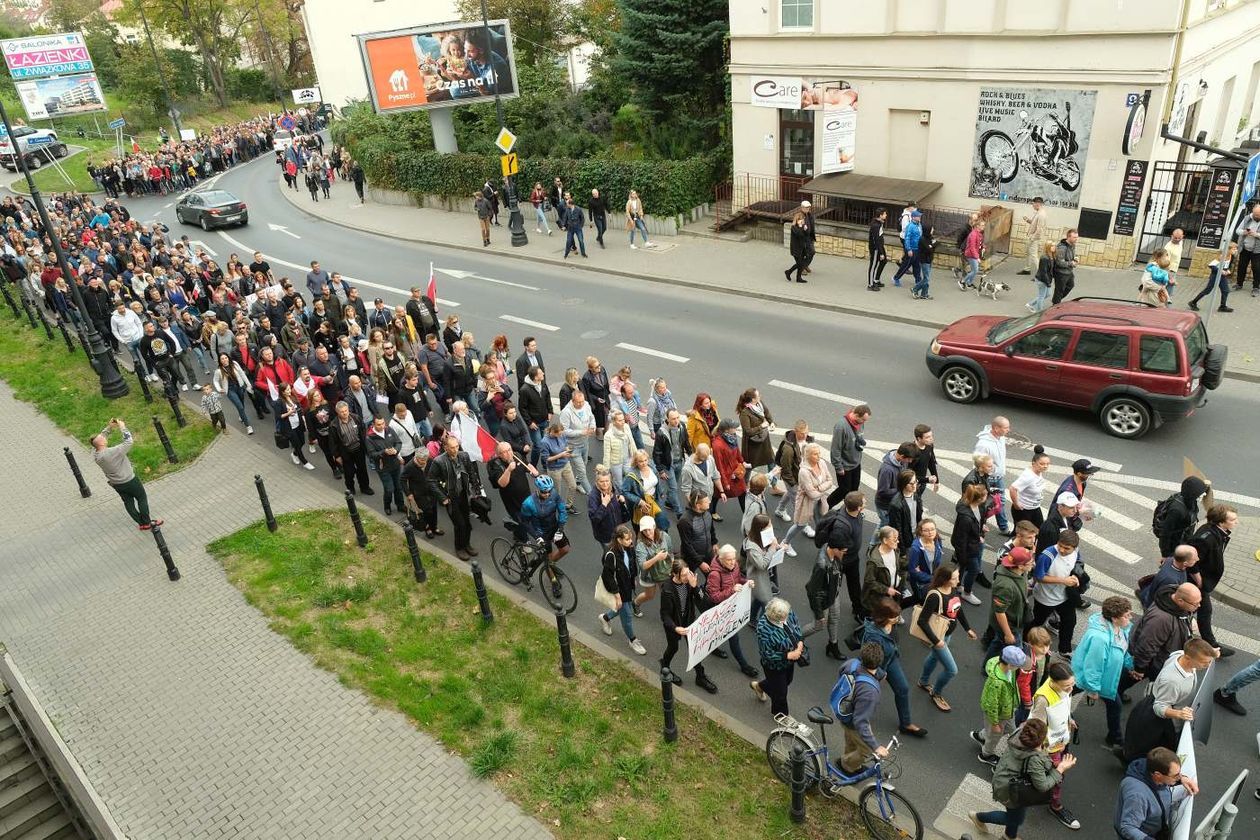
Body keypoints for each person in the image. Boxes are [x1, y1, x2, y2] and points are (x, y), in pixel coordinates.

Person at [970, 717, 1074, 840]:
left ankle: (1009, 836)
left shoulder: (1020, 733)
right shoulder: (1034, 759)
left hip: (1005, 778)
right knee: (1015, 818)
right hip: (1010, 790)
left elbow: (1038, 754)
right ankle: (979, 817)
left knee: (1016, 812)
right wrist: (1060, 769)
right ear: (1039, 742)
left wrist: (1052, 748)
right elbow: (1042, 785)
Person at [1123, 639, 1218, 763]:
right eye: (1204, 663)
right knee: (1155, 750)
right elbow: (1159, 707)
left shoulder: (1179, 654)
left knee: (1141, 744)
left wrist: (1212, 654)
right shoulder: (1172, 682)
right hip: (1161, 720)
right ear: (1188, 658)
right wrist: (1179, 714)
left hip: (1158, 701)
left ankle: (1126, 753)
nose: (1207, 665)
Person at [1120, 581, 1201, 703]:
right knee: (1132, 677)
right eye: (1195, 604)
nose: (1199, 606)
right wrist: (1140, 668)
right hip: (1153, 661)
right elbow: (1147, 645)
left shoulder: (1174, 603)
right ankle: (1114, 694)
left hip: (1159, 656)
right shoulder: (1160, 620)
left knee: (1131, 678)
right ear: (1180, 601)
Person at [1072, 596, 1134, 748]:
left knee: (1071, 689)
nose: (1130, 618)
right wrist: (1093, 689)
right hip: (1096, 678)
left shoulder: (1120, 627)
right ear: (1114, 618)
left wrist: (1129, 664)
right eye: (1126, 615)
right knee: (1115, 706)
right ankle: (1116, 738)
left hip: (1101, 678)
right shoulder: (1100, 638)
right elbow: (1093, 666)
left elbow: (1122, 649)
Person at [861, 597, 926, 737]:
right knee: (869, 698)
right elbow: (868, 660)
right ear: (883, 617)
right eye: (894, 616)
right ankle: (859, 722)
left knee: (902, 688)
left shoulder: (890, 624)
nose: (897, 618)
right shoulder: (873, 635)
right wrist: (879, 674)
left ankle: (906, 723)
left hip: (890, 660)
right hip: (876, 669)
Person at [915, 563, 976, 711]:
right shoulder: (935, 596)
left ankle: (923, 681)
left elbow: (957, 608)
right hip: (939, 637)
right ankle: (936, 693)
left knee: (934, 658)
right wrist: (937, 641)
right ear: (944, 579)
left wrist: (967, 628)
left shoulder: (952, 589)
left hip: (946, 635)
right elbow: (922, 621)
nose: (958, 581)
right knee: (951, 670)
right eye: (955, 578)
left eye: (958, 576)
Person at [91, 419, 161, 532]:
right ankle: (148, 522)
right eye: (103, 438)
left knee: (128, 502)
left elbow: (98, 441)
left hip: (117, 484)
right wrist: (123, 427)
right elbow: (129, 442)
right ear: (102, 443)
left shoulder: (95, 454)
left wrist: (109, 428)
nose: (104, 438)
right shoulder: (113, 452)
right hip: (130, 481)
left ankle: (141, 523)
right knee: (141, 498)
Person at [660, 558, 717, 693]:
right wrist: (675, 628)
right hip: (674, 625)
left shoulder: (689, 583)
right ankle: (665, 668)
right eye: (684, 575)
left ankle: (700, 677)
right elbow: (665, 615)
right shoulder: (667, 590)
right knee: (673, 648)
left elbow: (705, 602)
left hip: (688, 621)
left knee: (695, 648)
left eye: (688, 573)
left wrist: (695, 587)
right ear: (675, 575)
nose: (687, 577)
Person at [1115, 747, 1198, 840]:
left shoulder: (1151, 769)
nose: (1179, 777)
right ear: (1158, 775)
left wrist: (1182, 779)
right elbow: (1128, 828)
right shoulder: (1137, 796)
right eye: (1175, 776)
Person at [1187, 503, 1236, 656]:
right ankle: (1211, 646)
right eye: (1233, 519)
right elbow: (1191, 560)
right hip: (1197, 581)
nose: (1236, 522)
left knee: (1199, 610)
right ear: (1221, 522)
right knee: (1204, 610)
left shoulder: (1219, 532)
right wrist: (1199, 580)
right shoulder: (1206, 538)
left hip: (1202, 581)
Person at [705, 544, 759, 678]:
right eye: (729, 560)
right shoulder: (714, 575)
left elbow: (738, 578)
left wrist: (747, 582)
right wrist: (732, 590)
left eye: (734, 559)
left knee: (716, 631)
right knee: (733, 637)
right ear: (721, 559)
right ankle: (744, 666)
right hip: (720, 610)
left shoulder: (733, 566)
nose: (733, 562)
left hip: (731, 607)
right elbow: (714, 597)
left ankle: (713, 648)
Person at [972, 644, 1027, 766]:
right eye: (1017, 666)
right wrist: (995, 723)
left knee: (1011, 729)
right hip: (998, 713)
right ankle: (986, 754)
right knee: (995, 736)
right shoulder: (996, 682)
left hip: (1007, 709)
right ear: (1010, 665)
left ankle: (983, 735)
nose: (1019, 669)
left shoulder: (1005, 668)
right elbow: (992, 704)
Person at [430, 434, 482, 561]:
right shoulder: (439, 461)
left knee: (468, 524)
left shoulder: (464, 456)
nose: (455, 450)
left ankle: (467, 544)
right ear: (446, 448)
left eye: (457, 446)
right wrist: (443, 497)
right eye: (452, 447)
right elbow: (431, 481)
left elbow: (471, 472)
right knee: (460, 524)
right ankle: (459, 548)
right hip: (450, 498)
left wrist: (476, 490)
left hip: (463, 495)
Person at [838, 643, 888, 773]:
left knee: (851, 741)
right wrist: (876, 747)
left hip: (844, 711)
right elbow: (860, 722)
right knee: (865, 750)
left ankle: (849, 766)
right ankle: (846, 763)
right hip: (853, 720)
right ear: (880, 661)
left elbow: (841, 674)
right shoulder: (869, 692)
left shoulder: (851, 663)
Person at [598, 525, 647, 655]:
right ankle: (632, 640)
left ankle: (605, 617)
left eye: (631, 538)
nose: (630, 541)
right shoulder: (610, 554)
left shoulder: (628, 548)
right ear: (619, 540)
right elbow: (607, 576)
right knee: (627, 615)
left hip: (627, 585)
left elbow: (632, 564)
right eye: (626, 539)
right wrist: (617, 595)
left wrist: (633, 579)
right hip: (619, 590)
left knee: (624, 609)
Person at [751, 596, 805, 715]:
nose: (787, 618)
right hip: (774, 666)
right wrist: (788, 655)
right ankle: (781, 715)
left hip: (789, 662)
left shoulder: (787, 612)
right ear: (774, 617)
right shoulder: (763, 629)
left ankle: (760, 686)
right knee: (781, 694)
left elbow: (796, 625)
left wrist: (800, 640)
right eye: (783, 618)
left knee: (787, 681)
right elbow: (767, 654)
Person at [1032, 529, 1082, 655]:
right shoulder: (1047, 555)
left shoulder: (1076, 552)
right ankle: (1025, 641)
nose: (1062, 550)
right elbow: (1038, 577)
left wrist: (1075, 576)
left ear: (1074, 547)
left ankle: (1064, 651)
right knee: (1037, 622)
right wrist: (1063, 581)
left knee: (1070, 621)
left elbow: (1078, 564)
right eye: (1060, 546)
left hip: (1064, 596)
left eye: (1067, 548)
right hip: (1046, 598)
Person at [984, 547, 1035, 666]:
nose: (1033, 564)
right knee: (1016, 650)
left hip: (1014, 620)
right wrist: (1008, 634)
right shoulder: (1005, 586)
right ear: (1020, 566)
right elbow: (1000, 612)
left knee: (998, 643)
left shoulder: (1019, 572)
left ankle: (987, 666)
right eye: (1030, 562)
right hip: (1009, 624)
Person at [783, 443, 836, 547]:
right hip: (806, 502)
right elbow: (812, 494)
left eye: (819, 453)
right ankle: (785, 543)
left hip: (820, 500)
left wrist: (819, 488)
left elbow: (830, 481)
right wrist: (821, 489)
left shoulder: (822, 463)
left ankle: (824, 546)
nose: (819, 456)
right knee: (799, 525)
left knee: (821, 522)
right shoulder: (804, 472)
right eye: (815, 454)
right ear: (808, 455)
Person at [519, 474, 570, 565]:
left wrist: (560, 529)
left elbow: (562, 509)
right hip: (542, 533)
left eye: (549, 491)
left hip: (554, 527)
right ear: (538, 489)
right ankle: (551, 575)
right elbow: (525, 522)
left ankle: (544, 562)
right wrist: (536, 536)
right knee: (548, 558)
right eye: (544, 492)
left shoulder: (553, 494)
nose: (547, 494)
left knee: (565, 549)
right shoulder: (528, 503)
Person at [952, 483, 988, 606]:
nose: (987, 497)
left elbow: (978, 522)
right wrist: (962, 556)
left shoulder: (979, 507)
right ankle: (966, 593)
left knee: (962, 566)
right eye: (986, 495)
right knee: (974, 569)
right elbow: (961, 539)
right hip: (968, 547)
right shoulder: (966, 518)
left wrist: (980, 531)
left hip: (973, 543)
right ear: (979, 498)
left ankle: (957, 585)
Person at [1156, 476, 1209, 558]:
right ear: (1192, 494)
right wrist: (1165, 555)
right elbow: (1165, 533)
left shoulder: (1190, 499)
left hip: (1183, 541)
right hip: (1174, 547)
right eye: (1201, 493)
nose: (1204, 494)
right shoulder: (1176, 511)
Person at [828, 404, 870, 503]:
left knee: (854, 490)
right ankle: (825, 505)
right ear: (856, 415)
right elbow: (835, 449)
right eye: (863, 420)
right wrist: (839, 467)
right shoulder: (841, 427)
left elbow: (859, 436)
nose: (864, 423)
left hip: (856, 463)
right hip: (845, 466)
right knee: (844, 490)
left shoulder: (860, 423)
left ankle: (850, 511)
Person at [742, 514, 778, 626]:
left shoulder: (762, 536)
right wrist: (772, 548)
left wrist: (778, 547)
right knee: (767, 603)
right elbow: (761, 565)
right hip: (757, 578)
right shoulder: (752, 547)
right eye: (769, 525)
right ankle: (763, 627)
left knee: (758, 600)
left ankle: (752, 620)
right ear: (761, 528)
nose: (771, 526)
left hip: (764, 576)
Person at [331, 400, 372, 496]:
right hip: (346, 452)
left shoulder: (356, 418)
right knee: (349, 473)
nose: (344, 413)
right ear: (337, 412)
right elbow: (333, 442)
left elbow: (362, 431)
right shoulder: (334, 425)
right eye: (342, 411)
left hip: (358, 449)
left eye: (346, 410)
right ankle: (351, 489)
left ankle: (365, 487)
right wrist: (337, 456)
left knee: (362, 469)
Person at [366, 416, 405, 514]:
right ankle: (387, 506)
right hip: (383, 468)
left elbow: (398, 442)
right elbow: (371, 454)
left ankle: (400, 505)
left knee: (398, 487)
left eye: (383, 423)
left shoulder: (389, 430)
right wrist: (384, 452)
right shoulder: (369, 438)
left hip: (395, 465)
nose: (382, 426)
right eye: (379, 424)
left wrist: (396, 450)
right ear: (373, 425)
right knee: (389, 489)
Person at [403, 450, 442, 539]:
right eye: (421, 460)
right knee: (425, 512)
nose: (424, 463)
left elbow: (436, 473)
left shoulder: (430, 461)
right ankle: (427, 528)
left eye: (425, 460)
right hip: (419, 494)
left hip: (431, 491)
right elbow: (402, 480)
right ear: (416, 457)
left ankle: (434, 527)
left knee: (434, 509)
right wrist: (408, 493)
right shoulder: (409, 466)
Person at [1008, 445, 1050, 528]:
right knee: (1023, 534)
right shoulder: (1028, 476)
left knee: (1039, 530)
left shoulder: (1038, 471)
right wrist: (1016, 504)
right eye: (1042, 464)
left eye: (1047, 464)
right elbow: (1013, 488)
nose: (1045, 466)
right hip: (1024, 510)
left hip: (1035, 508)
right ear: (1034, 463)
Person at [1188, 241, 1235, 312]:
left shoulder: (1231, 256)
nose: (1235, 250)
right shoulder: (1221, 256)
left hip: (1222, 276)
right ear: (1228, 249)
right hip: (1215, 275)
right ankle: (1193, 302)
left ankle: (1222, 306)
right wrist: (1220, 271)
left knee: (1225, 290)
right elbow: (1211, 265)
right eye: (1234, 249)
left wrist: (1227, 270)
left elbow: (1227, 265)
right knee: (1207, 290)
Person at [906, 517, 942, 602]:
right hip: (921, 582)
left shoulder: (937, 539)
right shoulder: (916, 548)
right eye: (926, 530)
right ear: (921, 532)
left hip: (932, 578)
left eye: (933, 529)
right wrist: (932, 579)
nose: (930, 532)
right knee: (920, 600)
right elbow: (913, 570)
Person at [587, 469, 627, 547]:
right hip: (607, 536)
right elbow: (594, 519)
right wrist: (604, 504)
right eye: (602, 482)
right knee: (611, 556)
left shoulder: (613, 487)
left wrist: (622, 501)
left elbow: (618, 508)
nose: (605, 484)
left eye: (607, 481)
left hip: (619, 531)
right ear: (597, 482)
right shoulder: (593, 497)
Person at [1233, 201, 1260, 293]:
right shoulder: (1247, 218)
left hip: (1257, 250)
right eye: (1255, 215)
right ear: (1253, 212)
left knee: (1256, 268)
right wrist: (1244, 232)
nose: (1256, 217)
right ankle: (1239, 284)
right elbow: (1237, 230)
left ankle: (1256, 287)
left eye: (1258, 215)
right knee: (1241, 266)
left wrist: (1256, 234)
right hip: (1245, 247)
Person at [1020, 197, 1047, 275]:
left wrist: (1032, 238)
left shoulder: (1041, 214)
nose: (1032, 206)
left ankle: (1041, 274)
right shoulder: (1039, 212)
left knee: (1034, 255)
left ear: (1037, 204)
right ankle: (1027, 269)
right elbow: (1035, 224)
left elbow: (1039, 229)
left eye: (1033, 204)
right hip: (1033, 237)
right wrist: (1028, 220)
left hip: (1034, 238)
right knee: (1029, 253)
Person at [1027, 240, 1056, 312]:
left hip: (1047, 279)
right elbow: (1044, 272)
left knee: (1047, 294)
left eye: (1055, 246)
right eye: (1052, 246)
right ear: (1048, 247)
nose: (1054, 247)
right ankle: (1039, 312)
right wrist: (1048, 283)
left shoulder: (1052, 256)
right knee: (1042, 296)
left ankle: (1030, 304)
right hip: (1042, 280)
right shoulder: (1044, 258)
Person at [1052, 228, 1079, 304]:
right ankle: (1056, 304)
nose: (1076, 239)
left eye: (1077, 237)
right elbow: (1059, 262)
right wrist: (1071, 263)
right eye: (1074, 237)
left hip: (1069, 271)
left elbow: (1072, 255)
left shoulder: (1072, 245)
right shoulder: (1062, 247)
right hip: (1061, 273)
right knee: (1059, 290)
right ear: (1068, 237)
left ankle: (1056, 300)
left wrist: (1075, 258)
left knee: (1070, 285)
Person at [867, 207, 888, 290]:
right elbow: (876, 240)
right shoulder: (876, 225)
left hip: (880, 246)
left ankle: (876, 280)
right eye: (885, 214)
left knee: (884, 261)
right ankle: (870, 285)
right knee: (873, 265)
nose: (886, 215)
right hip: (875, 248)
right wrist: (881, 252)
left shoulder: (879, 223)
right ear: (880, 215)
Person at [959, 219, 984, 290]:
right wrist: (977, 257)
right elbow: (972, 247)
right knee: (975, 270)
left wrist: (983, 246)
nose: (983, 227)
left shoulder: (978, 234)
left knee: (974, 270)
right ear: (977, 226)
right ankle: (963, 281)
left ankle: (969, 283)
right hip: (971, 254)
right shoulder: (973, 234)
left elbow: (980, 243)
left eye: (983, 225)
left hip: (974, 254)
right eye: (982, 225)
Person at [785, 213, 811, 283]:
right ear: (796, 220)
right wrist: (801, 227)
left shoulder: (803, 226)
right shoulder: (794, 227)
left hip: (802, 248)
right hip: (796, 249)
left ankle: (798, 277)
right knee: (800, 263)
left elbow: (806, 235)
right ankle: (789, 272)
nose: (801, 221)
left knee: (801, 264)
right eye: (799, 220)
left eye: (802, 219)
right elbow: (799, 234)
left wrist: (806, 229)